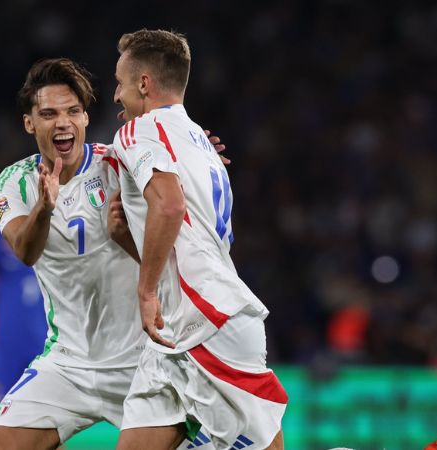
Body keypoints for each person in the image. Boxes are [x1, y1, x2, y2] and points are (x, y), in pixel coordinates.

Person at [0, 58, 224, 450]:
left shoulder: (118, 162)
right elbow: (25, 252)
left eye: (72, 111)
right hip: (67, 364)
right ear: (30, 123)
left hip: (142, 362)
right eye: (48, 114)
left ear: (84, 117)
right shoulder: (13, 183)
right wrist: (45, 207)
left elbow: (169, 180)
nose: (62, 122)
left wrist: (195, 155)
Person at [109, 30, 288, 450]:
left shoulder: (138, 132)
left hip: (207, 319)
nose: (115, 95)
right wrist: (125, 231)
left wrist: (146, 290)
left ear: (144, 83)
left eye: (119, 81)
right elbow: (177, 231)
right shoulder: (200, 143)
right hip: (173, 331)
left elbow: (169, 207)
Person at [0, 221, 48, 405]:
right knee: (0, 405)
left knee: (42, 405)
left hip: (41, 341)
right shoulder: (4, 257)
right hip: (7, 342)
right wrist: (6, 221)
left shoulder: (46, 253)